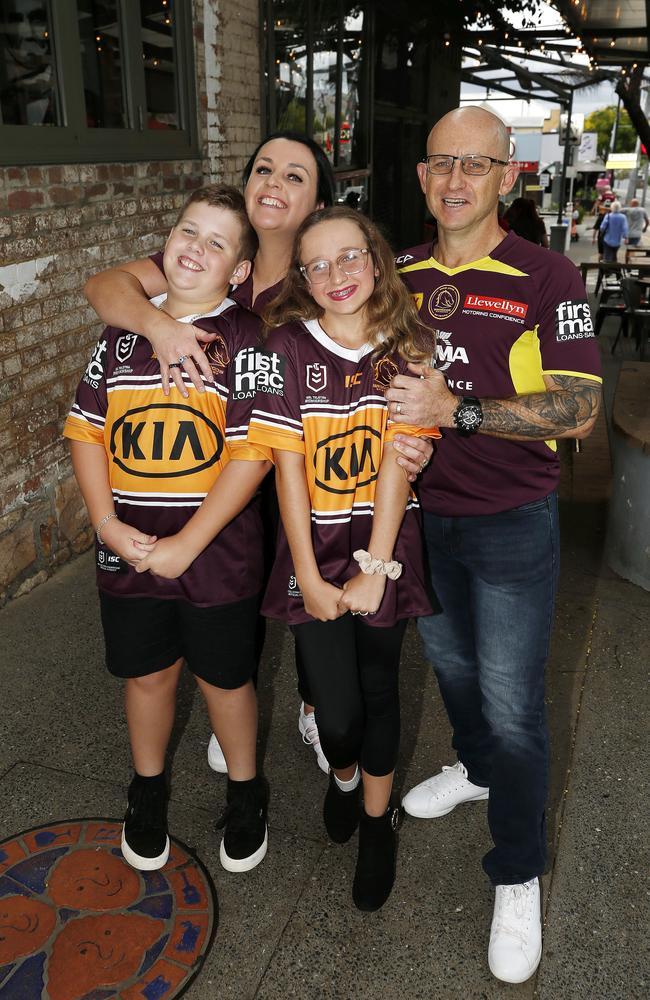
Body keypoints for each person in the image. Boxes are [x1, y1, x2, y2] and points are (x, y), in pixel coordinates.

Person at [83, 131, 432, 776]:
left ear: (320, 201)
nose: (274, 182)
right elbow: (104, 287)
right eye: (264, 168)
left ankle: (308, 699)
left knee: (305, 582)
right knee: (239, 598)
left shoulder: (325, 279)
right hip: (219, 478)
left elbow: (395, 346)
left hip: (306, 473)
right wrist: (159, 324)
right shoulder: (214, 254)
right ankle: (232, 697)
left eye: (296, 176)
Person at [387, 107, 602, 984]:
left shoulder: (547, 276)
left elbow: (579, 409)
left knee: (516, 703)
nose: (456, 180)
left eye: (476, 165)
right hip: (417, 516)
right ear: (422, 176)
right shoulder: (396, 273)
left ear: (508, 177)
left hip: (513, 520)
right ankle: (474, 769)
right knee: (455, 672)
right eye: (442, 163)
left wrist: (456, 412)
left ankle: (518, 869)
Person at [64, 185, 272, 874]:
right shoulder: (125, 328)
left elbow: (253, 452)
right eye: (189, 231)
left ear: (239, 271)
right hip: (130, 546)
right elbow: (87, 431)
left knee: (224, 680)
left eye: (218, 243)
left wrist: (191, 542)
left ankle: (246, 790)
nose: (197, 248)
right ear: (167, 240)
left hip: (218, 553)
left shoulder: (247, 339)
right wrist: (105, 521)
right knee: (148, 675)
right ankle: (146, 788)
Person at [248, 206, 440, 910]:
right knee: (335, 713)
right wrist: (305, 570)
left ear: (377, 259)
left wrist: (375, 568)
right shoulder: (286, 347)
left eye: (350, 256)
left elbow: (401, 463)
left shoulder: (411, 343)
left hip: (383, 545)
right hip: (313, 546)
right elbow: (287, 468)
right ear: (300, 276)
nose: (336, 274)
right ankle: (345, 775)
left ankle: (377, 822)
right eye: (317, 263)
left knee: (380, 687)